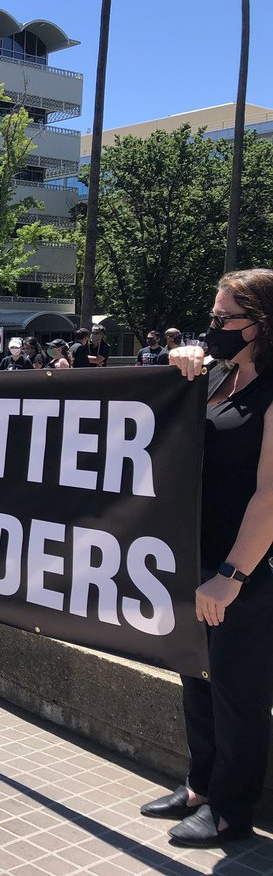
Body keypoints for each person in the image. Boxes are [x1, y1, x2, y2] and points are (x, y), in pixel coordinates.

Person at [143, 268, 273, 847]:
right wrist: (182, 363)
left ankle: (230, 808)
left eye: (225, 319)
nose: (213, 326)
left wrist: (232, 574)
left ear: (262, 324)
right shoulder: (218, 376)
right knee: (195, 674)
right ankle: (200, 784)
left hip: (244, 568)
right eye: (212, 316)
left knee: (236, 690)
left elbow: (270, 494)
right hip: (192, 556)